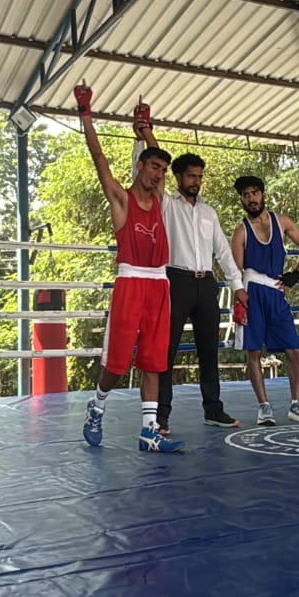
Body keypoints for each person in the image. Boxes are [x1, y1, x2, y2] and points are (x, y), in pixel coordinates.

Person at [74, 82, 182, 453]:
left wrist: (145, 127)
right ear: (139, 166)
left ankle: (149, 431)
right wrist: (86, 114)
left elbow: (160, 160)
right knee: (118, 363)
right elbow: (99, 158)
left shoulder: (161, 201)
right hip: (131, 281)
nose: (158, 174)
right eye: (153, 166)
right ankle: (97, 405)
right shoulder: (121, 200)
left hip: (159, 285)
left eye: (163, 170)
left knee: (154, 362)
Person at [137, 125, 248, 432]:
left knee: (209, 350)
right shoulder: (167, 204)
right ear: (177, 177)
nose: (196, 181)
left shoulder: (209, 212)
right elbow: (154, 170)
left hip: (206, 283)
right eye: (190, 176)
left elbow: (223, 251)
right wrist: (146, 134)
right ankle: (161, 415)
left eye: (199, 176)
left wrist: (237, 287)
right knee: (167, 349)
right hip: (176, 281)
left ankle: (213, 409)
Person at [230, 175, 299, 426]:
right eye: (246, 195)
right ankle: (264, 407)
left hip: (276, 292)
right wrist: (239, 297)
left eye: (254, 193)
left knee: (294, 349)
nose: (251, 198)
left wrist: (296, 274)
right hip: (252, 291)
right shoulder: (240, 231)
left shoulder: (282, 222)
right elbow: (235, 269)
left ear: (263, 195)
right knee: (254, 352)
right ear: (242, 199)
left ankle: (296, 404)